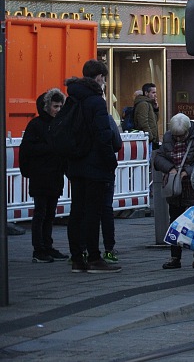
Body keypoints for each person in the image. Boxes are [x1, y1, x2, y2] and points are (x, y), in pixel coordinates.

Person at [65, 59, 121, 273]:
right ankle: (95, 258)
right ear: (98, 78)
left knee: (77, 210)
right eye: (103, 78)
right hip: (95, 163)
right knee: (93, 212)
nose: (104, 82)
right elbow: (103, 134)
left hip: (76, 163)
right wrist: (109, 162)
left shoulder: (73, 97)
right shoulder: (96, 101)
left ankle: (77, 259)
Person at [18, 88, 69, 263]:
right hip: (41, 174)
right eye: (56, 106)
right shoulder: (36, 125)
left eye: (61, 106)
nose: (59, 110)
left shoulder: (59, 124)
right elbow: (27, 150)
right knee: (41, 212)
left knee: (50, 213)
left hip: (54, 173)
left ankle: (47, 246)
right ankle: (38, 249)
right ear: (47, 106)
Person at [154, 113, 194, 269]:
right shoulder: (168, 138)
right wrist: (170, 168)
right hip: (175, 187)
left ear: (188, 130)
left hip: (192, 187)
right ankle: (175, 257)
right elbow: (158, 158)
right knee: (175, 222)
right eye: (175, 136)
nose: (178, 139)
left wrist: (188, 171)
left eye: (181, 135)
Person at [101, 114, 123, 263]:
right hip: (103, 168)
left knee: (83, 210)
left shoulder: (74, 114)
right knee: (105, 209)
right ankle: (108, 249)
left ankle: (80, 251)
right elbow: (117, 143)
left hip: (81, 170)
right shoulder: (105, 118)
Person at [134, 82, 160, 149]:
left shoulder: (149, 104)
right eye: (153, 93)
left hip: (150, 139)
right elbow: (143, 123)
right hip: (147, 140)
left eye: (155, 92)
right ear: (146, 93)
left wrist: (156, 109)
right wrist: (150, 137)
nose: (155, 95)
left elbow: (155, 120)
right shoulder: (143, 104)